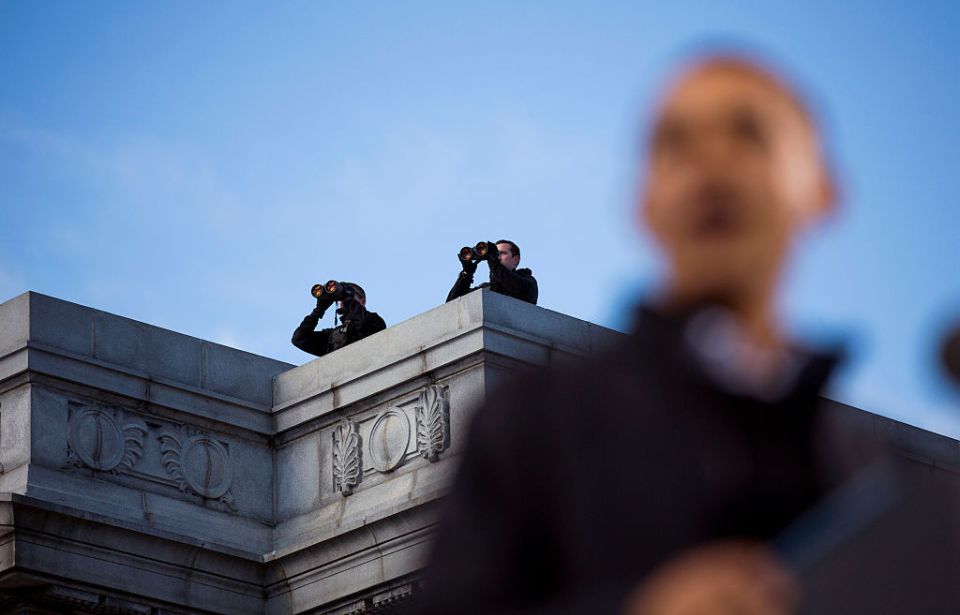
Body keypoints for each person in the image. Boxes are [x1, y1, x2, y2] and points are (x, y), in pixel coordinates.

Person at [418, 54, 959, 615]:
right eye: (678, 144)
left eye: (748, 133)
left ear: (822, 188)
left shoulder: (865, 476)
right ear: (645, 201)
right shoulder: (537, 424)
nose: (713, 167)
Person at [291, 282, 386, 358]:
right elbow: (299, 339)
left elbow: (363, 323)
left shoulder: (375, 321)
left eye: (351, 295)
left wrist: (349, 301)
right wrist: (318, 311)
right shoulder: (332, 336)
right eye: (341, 298)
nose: (343, 301)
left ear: (363, 301)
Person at [446, 239, 538, 304]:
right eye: (495, 253)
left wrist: (493, 261)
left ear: (515, 260)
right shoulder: (486, 289)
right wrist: (466, 274)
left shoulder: (528, 282)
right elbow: (452, 306)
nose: (497, 257)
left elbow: (520, 291)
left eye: (502, 253)